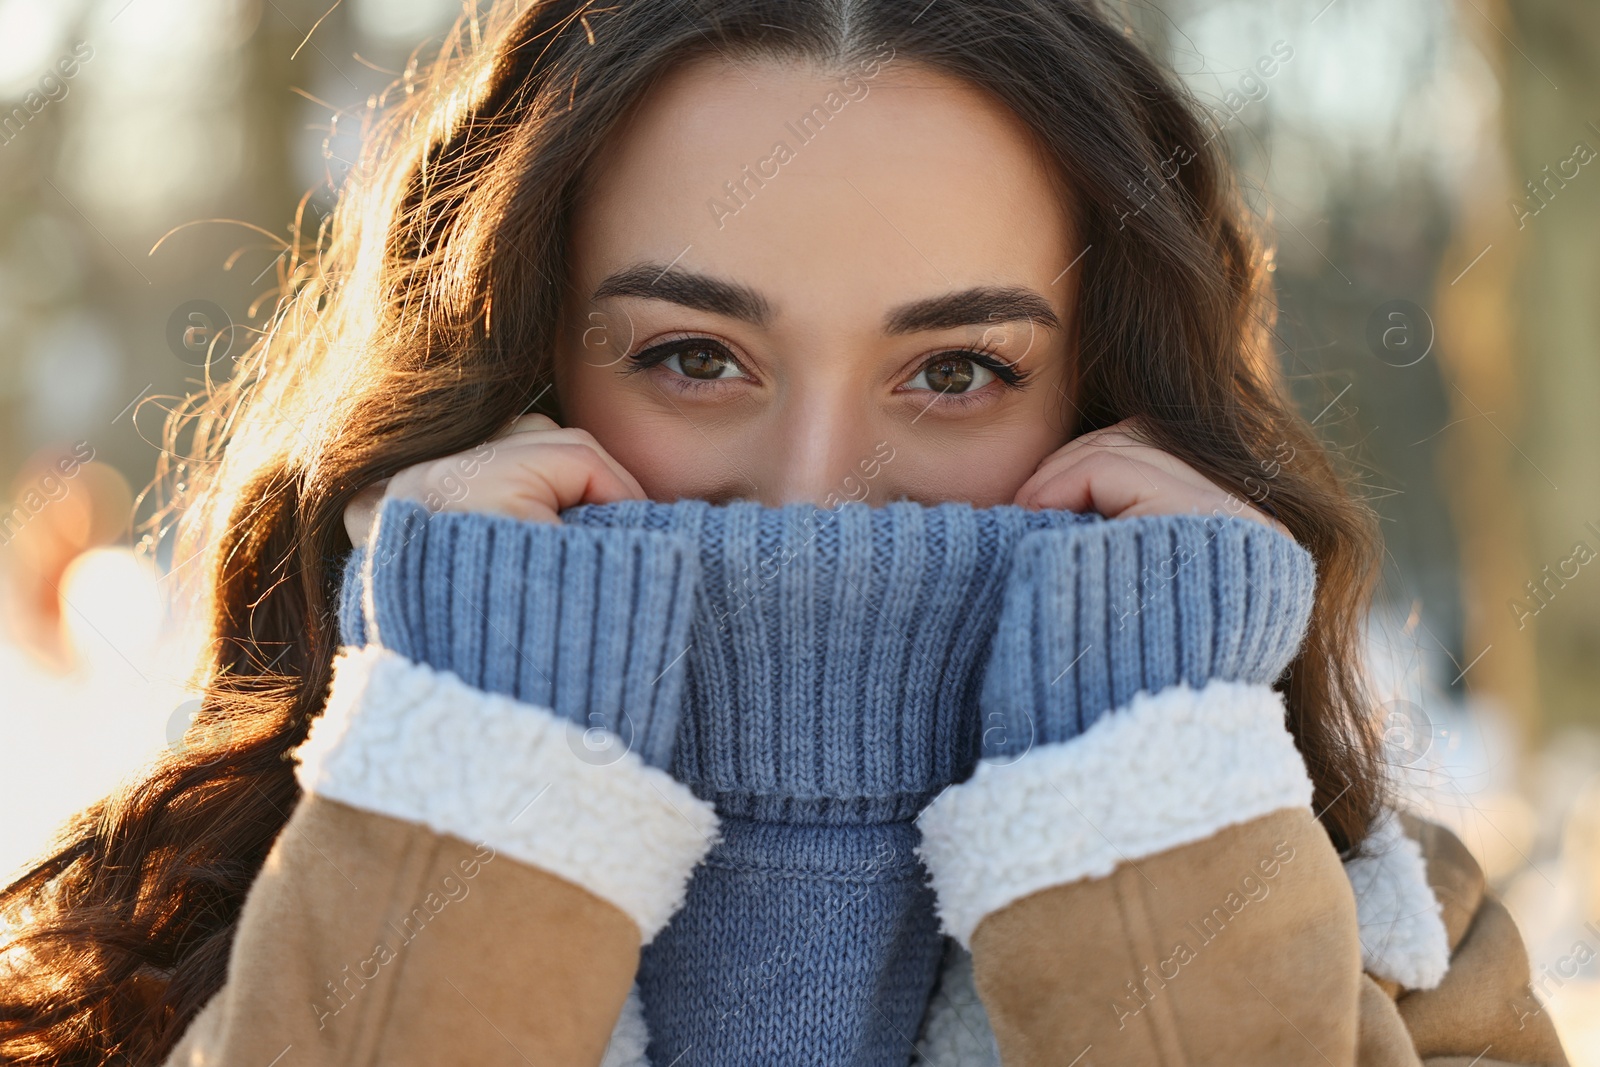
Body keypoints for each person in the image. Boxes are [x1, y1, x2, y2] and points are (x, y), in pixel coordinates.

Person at [0, 1, 1570, 1064]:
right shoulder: (203, 923)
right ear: (519, 384)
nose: (817, 485)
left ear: (1112, 410)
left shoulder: (1384, 934)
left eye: (955, 373)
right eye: (695, 359)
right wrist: (467, 787)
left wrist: (1150, 821)